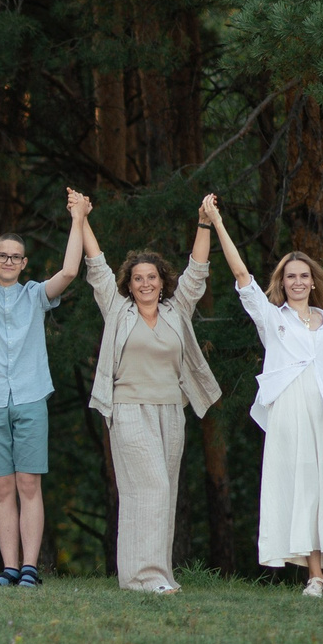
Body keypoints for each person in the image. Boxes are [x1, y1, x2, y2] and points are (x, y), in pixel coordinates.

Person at [205, 200, 323, 596]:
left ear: (313, 282)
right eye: (290, 277)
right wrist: (216, 221)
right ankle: (313, 576)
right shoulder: (272, 318)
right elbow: (241, 274)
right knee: (303, 490)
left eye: (304, 276)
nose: (298, 282)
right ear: (282, 283)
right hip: (290, 415)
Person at [78, 193, 224, 593]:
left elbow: (197, 270)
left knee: (162, 492)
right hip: (128, 410)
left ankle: (141, 576)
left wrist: (204, 221)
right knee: (153, 488)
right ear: (129, 284)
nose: (145, 283)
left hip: (171, 411)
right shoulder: (117, 310)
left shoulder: (178, 310)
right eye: (138, 278)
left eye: (152, 277)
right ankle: (150, 576)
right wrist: (82, 218)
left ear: (162, 282)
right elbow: (97, 265)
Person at [0, 190, 85, 588]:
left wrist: (78, 219)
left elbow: (69, 272)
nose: (8, 261)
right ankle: (9, 569)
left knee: (29, 484)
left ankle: (30, 569)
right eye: (2, 256)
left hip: (30, 396)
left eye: (15, 257)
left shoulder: (35, 295)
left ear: (24, 263)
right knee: (2, 486)